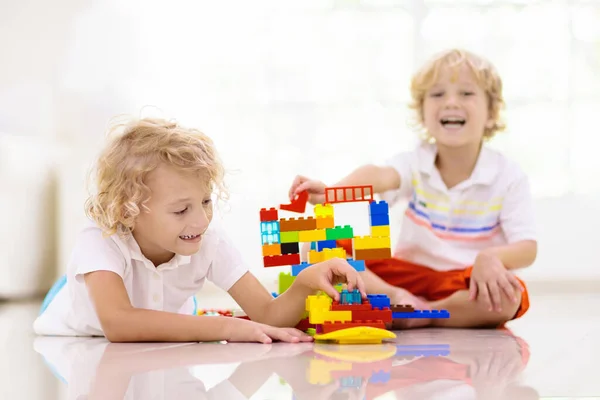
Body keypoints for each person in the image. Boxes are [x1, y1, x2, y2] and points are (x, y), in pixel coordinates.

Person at [34, 116, 365, 343]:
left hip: (163, 314)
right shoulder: (100, 239)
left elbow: (267, 314)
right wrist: (227, 327)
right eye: (181, 210)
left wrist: (305, 283)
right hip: (77, 325)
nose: (201, 221)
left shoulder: (209, 239)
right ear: (127, 210)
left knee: (180, 311)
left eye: (205, 202)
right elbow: (118, 324)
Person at [288, 49, 537, 328]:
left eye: (466, 93)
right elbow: (380, 175)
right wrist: (334, 192)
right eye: (437, 94)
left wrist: (489, 258)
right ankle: (395, 298)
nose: (451, 102)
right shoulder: (415, 161)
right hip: (403, 276)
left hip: (464, 281)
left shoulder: (508, 175)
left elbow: (527, 248)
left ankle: (425, 313)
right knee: (317, 247)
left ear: (491, 113)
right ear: (422, 113)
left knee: (510, 296)